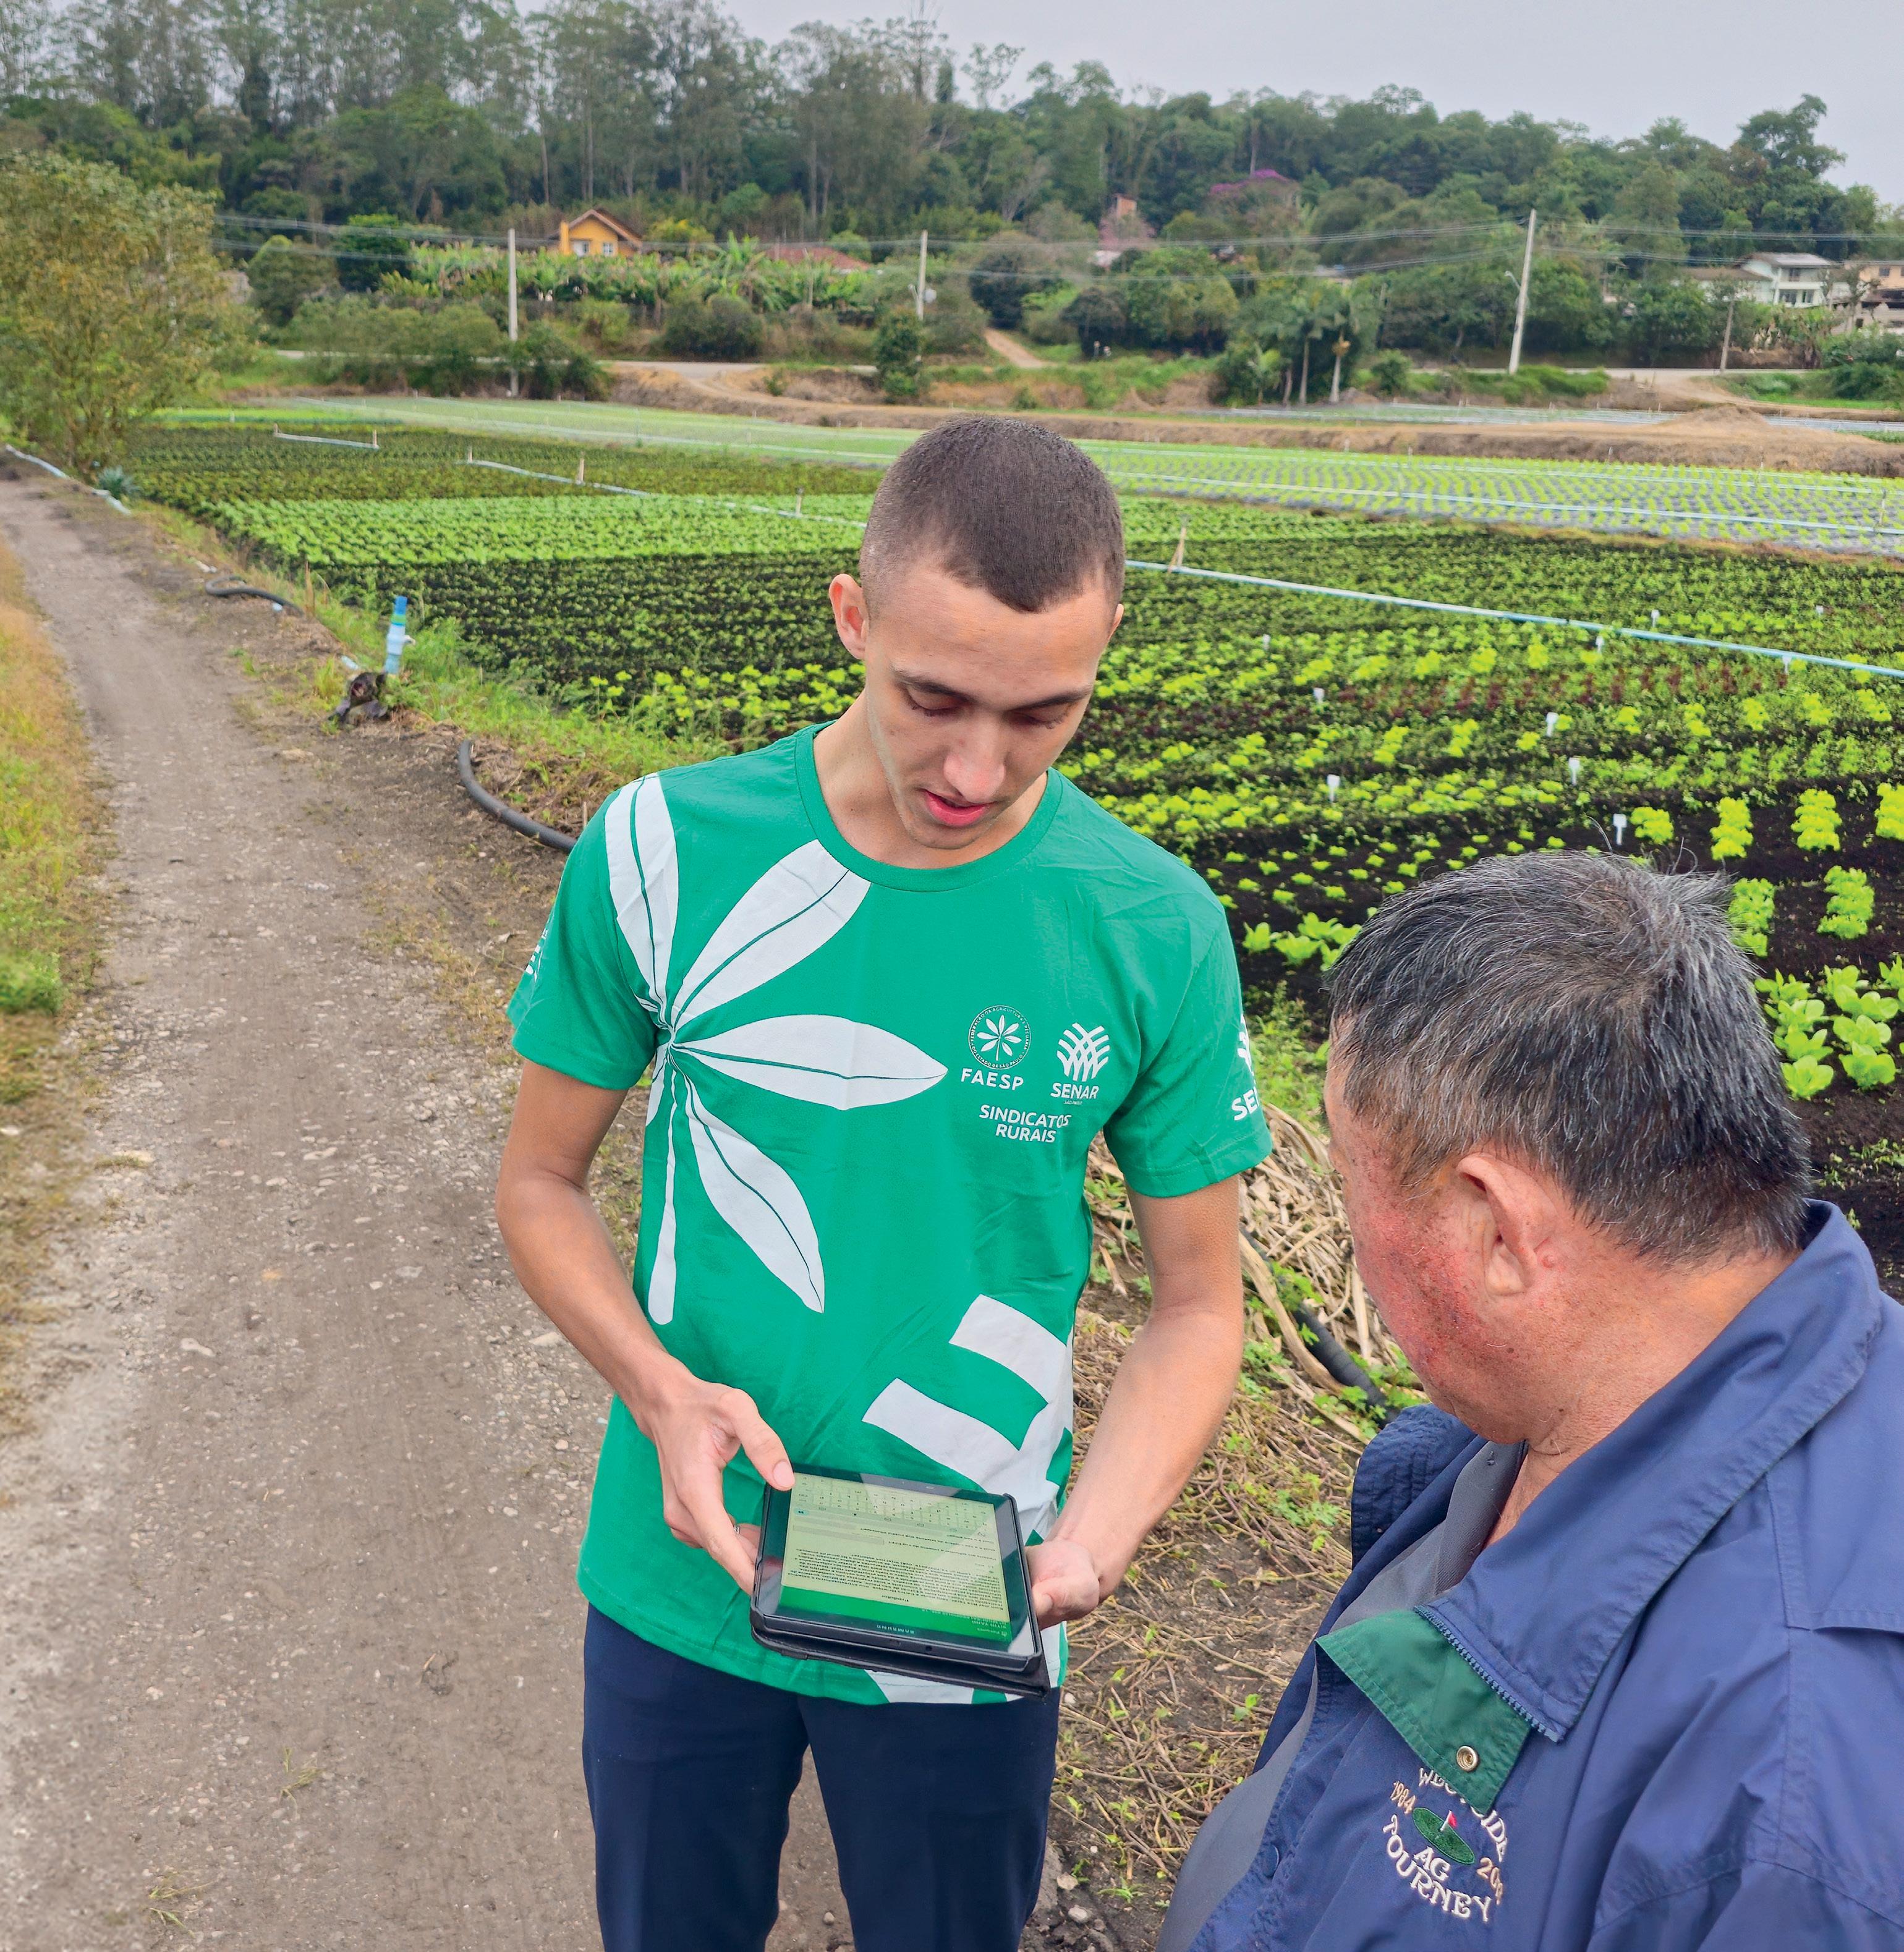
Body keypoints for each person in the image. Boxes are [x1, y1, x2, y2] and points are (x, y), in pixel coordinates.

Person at [494, 416, 1270, 1952]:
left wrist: (1092, 1542)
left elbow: (1196, 1307)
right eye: (932, 697)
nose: (979, 770)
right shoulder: (664, 848)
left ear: (1103, 656)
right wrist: (658, 1392)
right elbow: (538, 1183)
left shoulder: (1151, 926)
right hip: (685, 1565)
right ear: (852, 616)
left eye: (1044, 713)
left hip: (965, 1593)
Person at [1159, 850, 1904, 1952]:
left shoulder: (1789, 1813)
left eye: (1352, 1175)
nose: (1352, 1233)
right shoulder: (1590, 1393)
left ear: (1499, 1234)